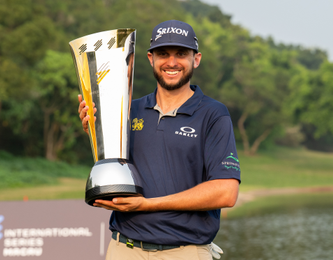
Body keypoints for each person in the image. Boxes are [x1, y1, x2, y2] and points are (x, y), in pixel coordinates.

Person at [78, 20, 241, 260]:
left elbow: (225, 193)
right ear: (150, 59)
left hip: (185, 251)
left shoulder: (213, 114)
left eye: (181, 54)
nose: (172, 62)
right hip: (124, 249)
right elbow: (114, 171)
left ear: (196, 59)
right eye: (163, 53)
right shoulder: (127, 111)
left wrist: (147, 205)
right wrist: (96, 133)